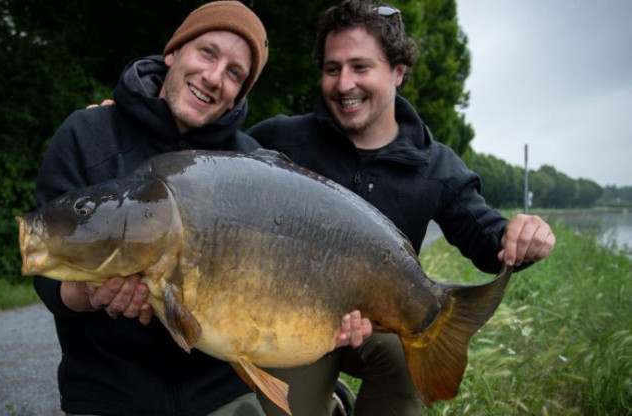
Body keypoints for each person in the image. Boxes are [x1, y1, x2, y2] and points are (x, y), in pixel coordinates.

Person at [246, 1, 556, 415]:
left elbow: (487, 241)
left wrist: (521, 237)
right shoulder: (279, 140)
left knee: (409, 358)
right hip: (289, 317)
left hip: (378, 322)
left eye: (360, 67)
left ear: (398, 71)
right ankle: (331, 402)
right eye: (333, 68)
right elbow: (210, 165)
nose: (344, 84)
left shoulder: (435, 166)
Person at [33, 2, 272, 415]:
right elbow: (44, 262)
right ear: (173, 52)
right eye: (207, 53)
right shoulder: (87, 133)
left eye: (235, 73)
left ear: (240, 94)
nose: (214, 77)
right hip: (109, 393)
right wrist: (88, 293)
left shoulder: (249, 166)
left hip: (221, 392)